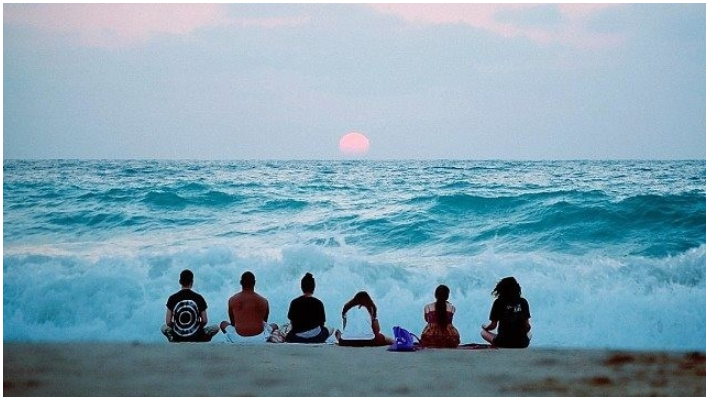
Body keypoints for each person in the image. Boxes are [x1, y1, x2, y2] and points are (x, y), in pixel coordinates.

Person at [219, 271, 282, 344]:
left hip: (238, 338)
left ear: (241, 282)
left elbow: (233, 323)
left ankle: (232, 341)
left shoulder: (232, 300)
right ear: (254, 283)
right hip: (259, 338)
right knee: (274, 325)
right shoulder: (264, 301)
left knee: (223, 324)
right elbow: (264, 322)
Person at [161, 269, 219, 342]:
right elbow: (204, 320)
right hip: (196, 335)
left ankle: (173, 338)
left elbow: (168, 322)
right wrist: (196, 327)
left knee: (164, 327)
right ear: (192, 282)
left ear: (180, 281)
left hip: (178, 335)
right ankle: (203, 338)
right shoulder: (199, 298)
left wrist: (178, 327)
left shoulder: (172, 298)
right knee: (215, 327)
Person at [481, 276, 531, 348]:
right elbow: (527, 326)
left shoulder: (498, 303)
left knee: (483, 332)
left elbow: (493, 325)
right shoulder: (523, 302)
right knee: (529, 333)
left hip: (503, 343)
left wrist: (485, 328)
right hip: (522, 343)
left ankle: (498, 342)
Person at [285, 272, 331, 343]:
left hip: (297, 337)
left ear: (302, 287)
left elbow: (292, 322)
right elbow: (322, 324)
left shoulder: (294, 302)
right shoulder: (318, 303)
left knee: (287, 330)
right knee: (327, 330)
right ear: (313, 287)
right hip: (316, 338)